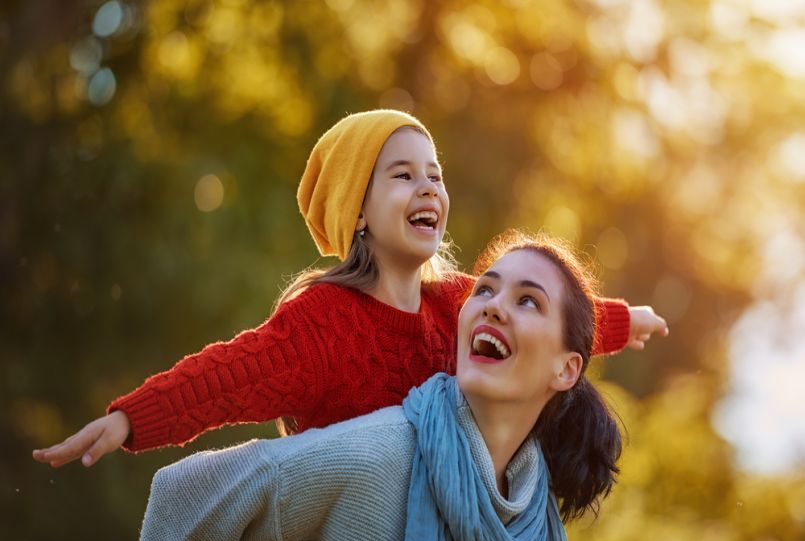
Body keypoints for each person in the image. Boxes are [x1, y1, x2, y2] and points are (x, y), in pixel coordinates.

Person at [32, 110, 666, 470]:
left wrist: (624, 319)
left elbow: (540, 316)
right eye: (402, 175)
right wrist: (130, 418)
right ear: (357, 211)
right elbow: (226, 376)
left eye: (435, 176)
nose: (429, 189)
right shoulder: (323, 323)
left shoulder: (459, 302)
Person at [123, 231, 622, 541]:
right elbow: (181, 495)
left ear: (567, 369)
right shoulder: (376, 456)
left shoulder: (529, 528)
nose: (492, 307)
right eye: (485, 290)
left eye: (527, 300)